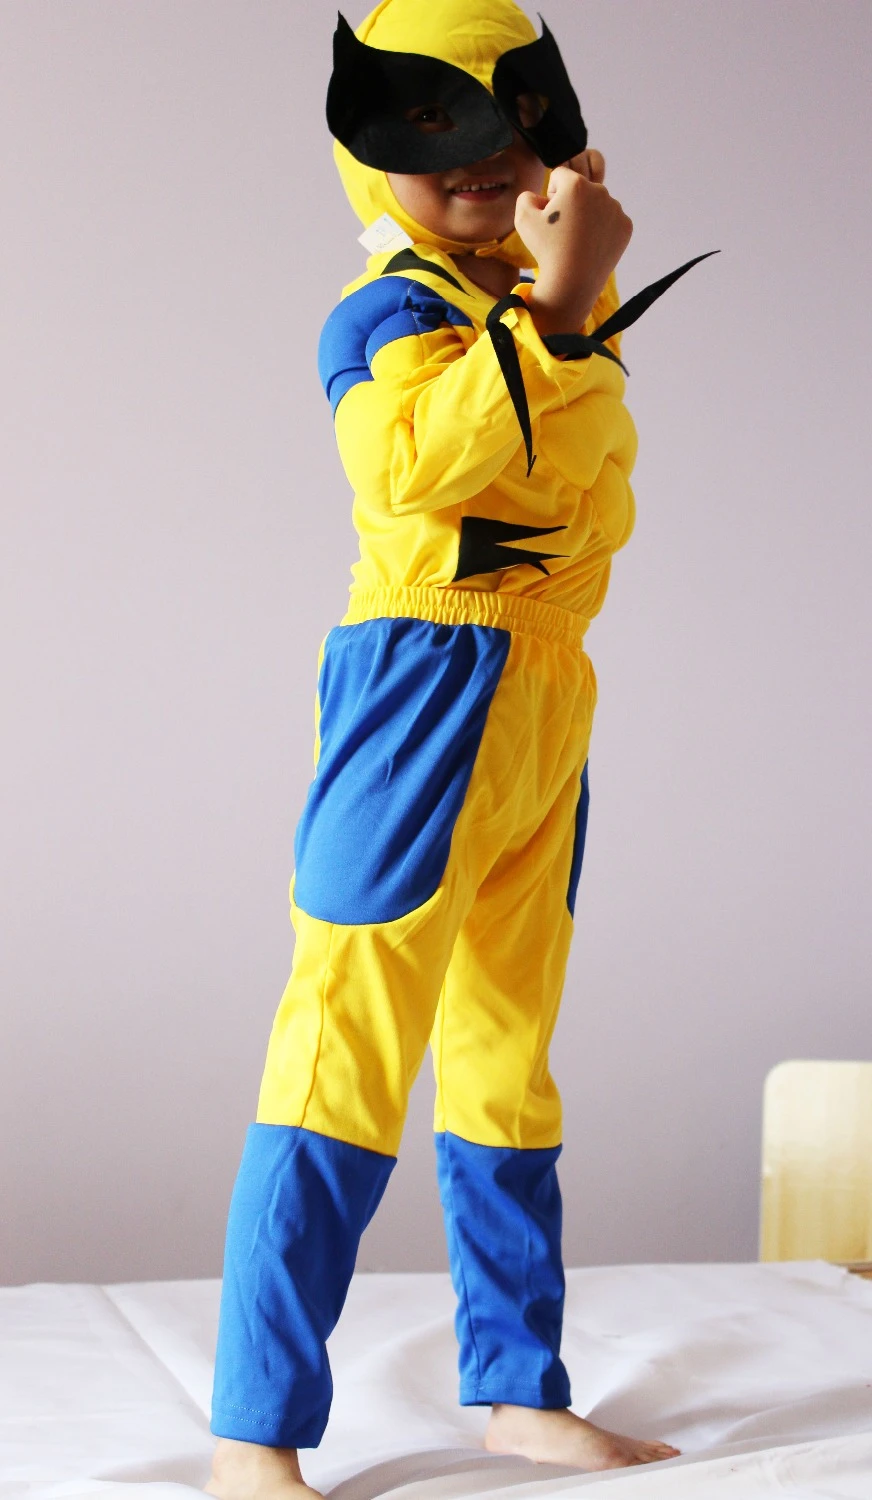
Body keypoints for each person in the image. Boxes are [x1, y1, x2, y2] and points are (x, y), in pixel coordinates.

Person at [206, 2, 716, 1495]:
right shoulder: (384, 315)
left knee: (507, 1060)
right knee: (343, 1048)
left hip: (545, 700)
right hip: (422, 686)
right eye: (438, 127)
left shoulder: (549, 307)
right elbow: (416, 469)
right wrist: (556, 303)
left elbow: (583, 500)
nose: (486, 157)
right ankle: (254, 1432)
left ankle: (515, 1387)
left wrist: (562, 298)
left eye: (516, 122)